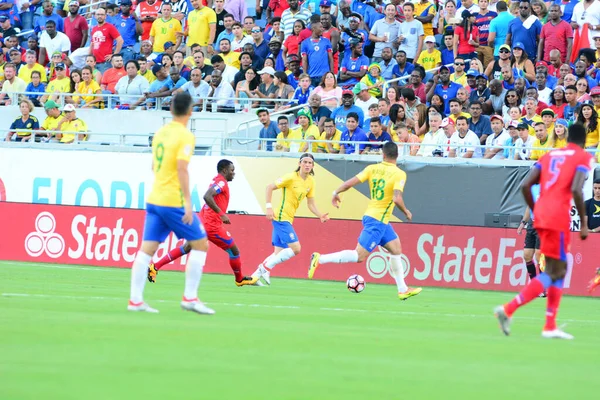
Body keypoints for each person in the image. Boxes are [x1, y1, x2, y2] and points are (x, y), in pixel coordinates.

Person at [495, 123, 593, 339]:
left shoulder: (550, 156)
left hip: (542, 216)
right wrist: (584, 222)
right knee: (556, 270)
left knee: (556, 268)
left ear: (567, 138)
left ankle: (550, 325)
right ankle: (508, 309)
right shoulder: (583, 157)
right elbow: (577, 188)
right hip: (558, 217)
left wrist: (537, 208)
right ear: (583, 140)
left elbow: (524, 185)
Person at [127, 92, 213, 315]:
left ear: (171, 108)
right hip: (172, 200)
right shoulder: (185, 136)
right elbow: (182, 168)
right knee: (201, 244)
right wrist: (186, 202)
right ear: (191, 111)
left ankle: (135, 300)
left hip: (154, 198)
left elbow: (154, 167)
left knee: (147, 250)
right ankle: (190, 297)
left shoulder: (160, 132)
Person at [308, 141, 422, 300]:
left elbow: (350, 183)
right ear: (397, 155)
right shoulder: (399, 173)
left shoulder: (372, 168)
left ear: (383, 154)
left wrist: (336, 192)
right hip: (377, 220)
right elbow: (397, 198)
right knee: (359, 256)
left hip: (375, 217)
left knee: (396, 249)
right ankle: (320, 258)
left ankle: (402, 289)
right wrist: (406, 212)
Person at [148, 159, 258, 287]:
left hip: (203, 220)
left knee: (187, 247)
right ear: (224, 170)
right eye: (232, 170)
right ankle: (239, 279)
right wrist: (221, 213)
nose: (234, 173)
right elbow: (207, 196)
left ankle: (155, 267)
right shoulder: (221, 183)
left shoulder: (217, 180)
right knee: (234, 251)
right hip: (212, 226)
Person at [251, 154, 329, 285]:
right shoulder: (291, 177)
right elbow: (269, 187)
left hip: (288, 218)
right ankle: (265, 268)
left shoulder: (311, 182)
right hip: (281, 217)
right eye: (305, 162)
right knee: (296, 248)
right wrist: (268, 207)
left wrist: (320, 215)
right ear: (299, 164)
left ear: (313, 166)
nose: (307, 165)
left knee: (278, 252)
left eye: (310, 163)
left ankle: (254, 278)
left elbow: (310, 203)